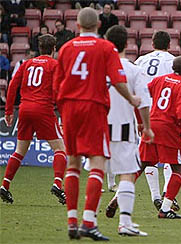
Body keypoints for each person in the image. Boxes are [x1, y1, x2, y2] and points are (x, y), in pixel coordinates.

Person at [53, 8, 140, 241]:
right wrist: (131, 99)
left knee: (73, 163)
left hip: (69, 108)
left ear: (78, 25)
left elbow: (57, 84)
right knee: (97, 162)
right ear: (99, 25)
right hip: (92, 106)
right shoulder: (106, 48)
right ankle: (89, 222)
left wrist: (62, 109)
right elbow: (118, 79)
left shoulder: (66, 49)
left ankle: (72, 221)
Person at [1, 34, 67, 206]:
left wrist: (9, 111)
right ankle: (58, 184)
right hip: (43, 109)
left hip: (24, 109)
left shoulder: (27, 63)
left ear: (39, 48)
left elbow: (13, 85)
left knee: (20, 150)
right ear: (53, 49)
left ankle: (5, 185)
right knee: (60, 149)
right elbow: (60, 89)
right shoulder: (54, 65)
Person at [104, 25, 153, 236]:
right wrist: (148, 128)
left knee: (96, 172)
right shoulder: (133, 70)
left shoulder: (99, 68)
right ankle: (125, 223)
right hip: (124, 128)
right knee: (127, 174)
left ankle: (86, 221)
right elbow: (143, 102)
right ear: (127, 44)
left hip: (99, 128)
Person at [139, 56, 181, 219]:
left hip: (151, 124)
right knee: (177, 168)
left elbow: (143, 93)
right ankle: (165, 209)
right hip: (168, 129)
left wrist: (140, 121)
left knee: (142, 164)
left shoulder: (159, 80)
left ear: (172, 67)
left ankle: (118, 196)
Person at [134, 30, 179, 211]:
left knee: (147, 157)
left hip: (144, 112)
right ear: (169, 45)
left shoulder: (141, 60)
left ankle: (155, 196)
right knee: (170, 156)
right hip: (165, 113)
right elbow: (180, 86)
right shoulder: (174, 62)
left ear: (152, 44)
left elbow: (134, 85)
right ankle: (168, 195)